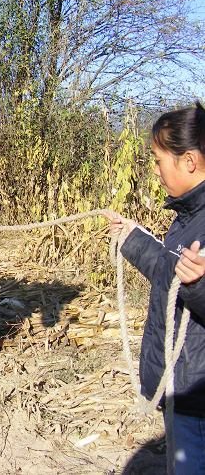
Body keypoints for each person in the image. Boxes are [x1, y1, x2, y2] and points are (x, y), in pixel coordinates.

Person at [105, 102, 205, 474]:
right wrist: (131, 238)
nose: (156, 170)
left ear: (189, 161)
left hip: (196, 396)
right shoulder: (189, 217)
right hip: (183, 388)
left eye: (159, 160)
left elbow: (189, 286)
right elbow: (171, 271)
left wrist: (198, 285)